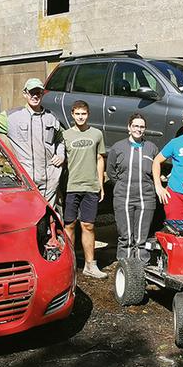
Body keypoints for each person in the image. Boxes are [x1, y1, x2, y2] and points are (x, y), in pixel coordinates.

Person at [0, 77, 64, 205]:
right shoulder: (12, 117)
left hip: (50, 178)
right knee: (29, 216)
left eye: (38, 93)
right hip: (26, 180)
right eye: (32, 92)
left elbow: (61, 139)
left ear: (43, 94)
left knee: (47, 217)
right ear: (25, 94)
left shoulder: (51, 117)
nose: (35, 96)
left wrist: (61, 155)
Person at [62, 100, 108, 279]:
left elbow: (99, 159)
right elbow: (61, 161)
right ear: (72, 115)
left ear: (88, 114)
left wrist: (100, 185)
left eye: (84, 114)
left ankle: (90, 265)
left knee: (88, 225)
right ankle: (69, 265)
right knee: (69, 225)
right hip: (71, 186)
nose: (80, 117)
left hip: (90, 186)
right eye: (77, 114)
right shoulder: (65, 135)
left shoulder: (96, 134)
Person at [107, 113, 159, 262]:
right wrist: (121, 184)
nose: (138, 129)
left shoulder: (151, 148)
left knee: (142, 237)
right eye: (135, 126)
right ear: (129, 128)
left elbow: (156, 169)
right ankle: (125, 269)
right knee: (125, 237)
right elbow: (111, 171)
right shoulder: (118, 147)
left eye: (142, 127)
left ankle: (142, 268)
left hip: (146, 198)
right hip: (123, 197)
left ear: (145, 129)